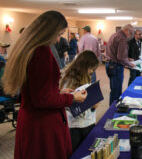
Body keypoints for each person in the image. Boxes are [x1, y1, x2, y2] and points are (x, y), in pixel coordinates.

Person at [2, 10, 88, 159]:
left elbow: (36, 90)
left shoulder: (27, 49)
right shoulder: (41, 52)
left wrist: (58, 93)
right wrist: (71, 98)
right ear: (48, 32)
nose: (57, 40)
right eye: (59, 34)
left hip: (30, 119)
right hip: (43, 125)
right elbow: (42, 99)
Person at [60, 50, 100, 152]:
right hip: (82, 128)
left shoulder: (67, 77)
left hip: (72, 126)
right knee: (83, 152)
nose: (92, 72)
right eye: (91, 69)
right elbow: (78, 111)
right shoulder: (79, 84)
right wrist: (93, 106)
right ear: (86, 67)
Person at [105, 24, 135, 105]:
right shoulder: (122, 38)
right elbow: (121, 57)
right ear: (127, 31)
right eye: (131, 33)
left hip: (109, 65)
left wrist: (127, 58)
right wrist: (130, 64)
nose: (130, 36)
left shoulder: (114, 35)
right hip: (116, 67)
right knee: (117, 91)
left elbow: (114, 52)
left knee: (113, 89)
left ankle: (111, 107)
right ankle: (114, 110)